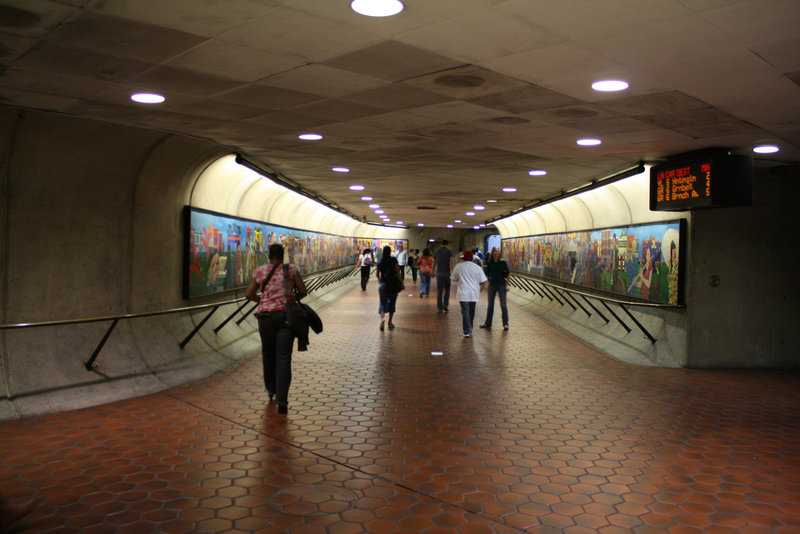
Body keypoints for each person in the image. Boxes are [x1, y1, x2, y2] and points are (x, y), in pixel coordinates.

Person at [246, 243, 307, 415]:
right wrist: (291, 299)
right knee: (284, 357)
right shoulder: (292, 269)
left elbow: (249, 293)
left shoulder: (260, 271)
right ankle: (283, 401)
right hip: (285, 317)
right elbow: (303, 291)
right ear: (283, 255)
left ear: (268, 255)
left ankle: (271, 389)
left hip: (265, 318)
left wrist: (263, 302)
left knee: (268, 353)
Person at [451, 250, 487, 338]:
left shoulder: (458, 266)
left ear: (463, 258)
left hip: (463, 292)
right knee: (471, 311)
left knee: (465, 312)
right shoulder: (477, 268)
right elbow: (483, 281)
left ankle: (467, 331)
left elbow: (454, 278)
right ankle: (470, 328)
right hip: (474, 292)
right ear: (472, 258)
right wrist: (480, 290)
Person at [480, 247, 510, 330]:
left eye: (497, 251)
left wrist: (508, 284)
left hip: (502, 285)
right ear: (492, 253)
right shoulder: (489, 263)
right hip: (492, 285)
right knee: (490, 305)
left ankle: (505, 324)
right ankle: (488, 323)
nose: (496, 253)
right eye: (495, 251)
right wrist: (483, 285)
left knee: (503, 305)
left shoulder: (503, 263)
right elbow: (486, 274)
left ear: (499, 252)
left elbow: (508, 274)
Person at [376, 245, 403, 331]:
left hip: (383, 285)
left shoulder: (380, 261)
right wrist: (402, 283)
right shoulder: (393, 260)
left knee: (382, 303)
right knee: (392, 303)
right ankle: (390, 322)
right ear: (390, 252)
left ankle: (382, 319)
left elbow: (377, 274)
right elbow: (398, 272)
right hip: (393, 285)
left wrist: (380, 280)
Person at [433, 239, 454, 312]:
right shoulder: (449, 251)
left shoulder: (436, 251)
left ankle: (439, 308)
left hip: (439, 273)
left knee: (439, 291)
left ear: (441, 244)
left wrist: (433, 271)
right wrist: (452, 271)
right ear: (447, 244)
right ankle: (445, 304)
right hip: (447, 273)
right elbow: (451, 262)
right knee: (447, 290)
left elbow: (434, 262)